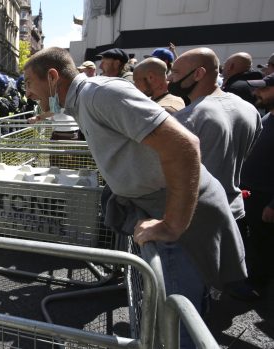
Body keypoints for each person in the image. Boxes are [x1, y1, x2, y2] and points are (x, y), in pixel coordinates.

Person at [24, 47, 246, 348]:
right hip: (164, 206)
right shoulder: (82, 99)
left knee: (178, 328)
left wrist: (171, 224)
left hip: (175, 213)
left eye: (28, 83)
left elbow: (184, 146)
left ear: (52, 76)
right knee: (177, 318)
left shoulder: (98, 94)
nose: (27, 93)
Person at [171, 48, 262, 220]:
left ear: (198, 73)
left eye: (175, 72)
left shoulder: (188, 118)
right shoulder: (249, 109)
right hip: (234, 211)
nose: (170, 78)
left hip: (197, 217)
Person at [240, 73, 274, 296]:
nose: (256, 93)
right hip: (252, 195)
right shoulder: (266, 117)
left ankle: (259, 287)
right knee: (254, 244)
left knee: (265, 246)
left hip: (266, 200)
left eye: (263, 89)